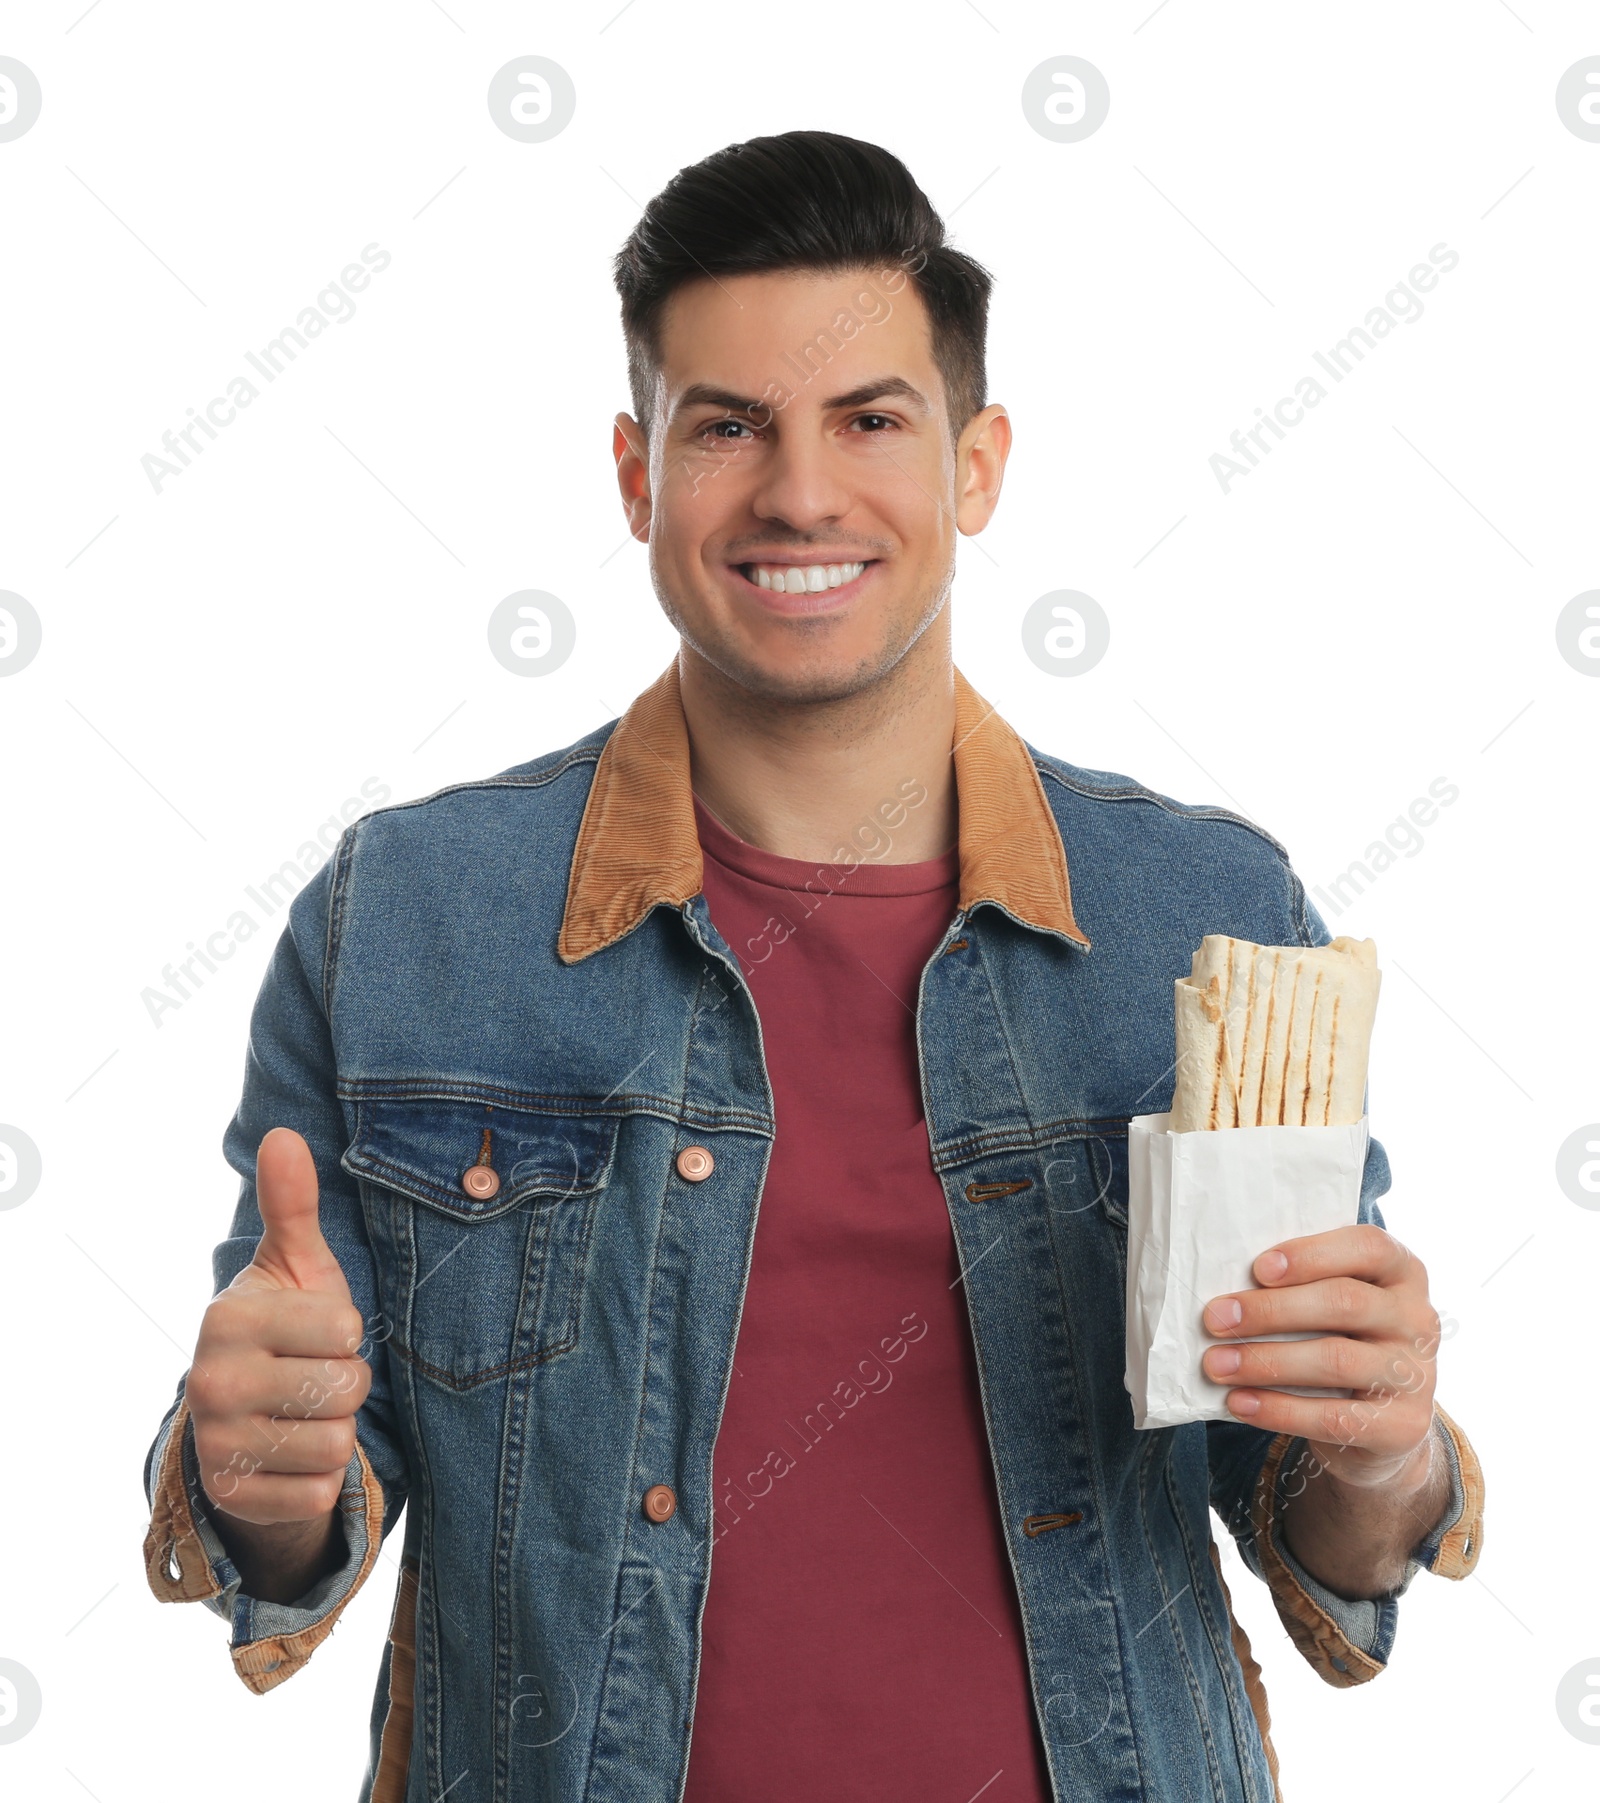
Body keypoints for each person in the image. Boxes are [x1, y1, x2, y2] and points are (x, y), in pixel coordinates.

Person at [143, 130, 1484, 1802]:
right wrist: (259, 1469)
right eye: (727, 427)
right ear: (637, 476)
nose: (799, 493)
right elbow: (291, 1513)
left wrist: (1384, 1442)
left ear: (977, 466)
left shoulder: (1201, 917)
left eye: (870, 420)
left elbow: (1325, 1526)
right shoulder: (409, 915)